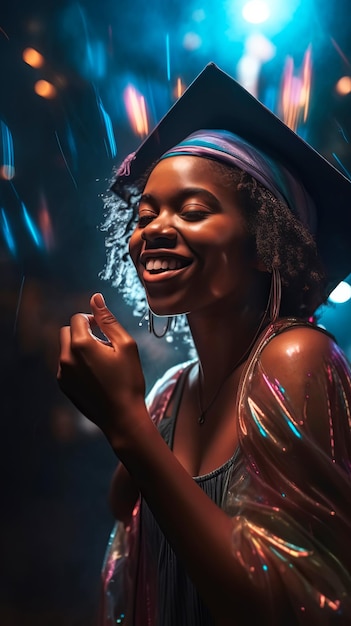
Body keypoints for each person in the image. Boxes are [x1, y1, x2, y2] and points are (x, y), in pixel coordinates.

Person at [58, 63, 351, 625]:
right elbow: (126, 510)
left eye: (193, 210)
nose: (154, 230)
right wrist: (131, 413)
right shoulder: (171, 394)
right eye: (145, 215)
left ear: (267, 242)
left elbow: (287, 609)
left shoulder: (295, 360)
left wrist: (124, 421)